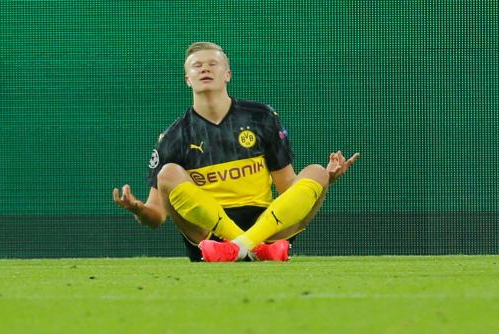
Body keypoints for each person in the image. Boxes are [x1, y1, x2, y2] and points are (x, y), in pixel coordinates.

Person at [113, 42, 359, 262]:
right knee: (167, 173)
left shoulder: (261, 118)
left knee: (316, 171)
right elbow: (156, 216)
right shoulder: (174, 136)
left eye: (213, 64)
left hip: (266, 230)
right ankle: (248, 247)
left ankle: (242, 247)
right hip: (210, 237)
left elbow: (287, 189)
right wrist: (137, 208)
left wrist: (325, 179)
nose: (205, 69)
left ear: (228, 74)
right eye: (197, 66)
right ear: (187, 78)